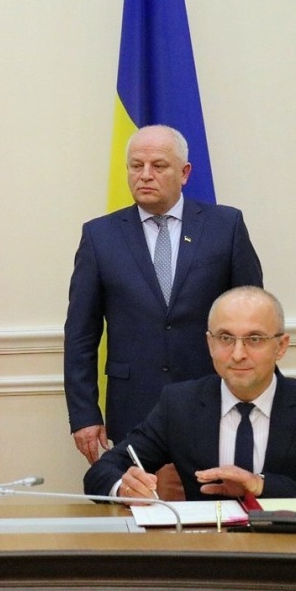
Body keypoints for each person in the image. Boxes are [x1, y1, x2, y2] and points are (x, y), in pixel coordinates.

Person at [64, 124, 263, 467]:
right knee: (141, 496)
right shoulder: (100, 236)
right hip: (133, 405)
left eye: (158, 166)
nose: (145, 175)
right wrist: (84, 414)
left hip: (214, 399)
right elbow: (81, 333)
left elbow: (256, 319)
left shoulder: (225, 226)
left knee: (214, 496)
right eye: (136, 166)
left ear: (184, 173)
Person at [84, 286, 296, 500]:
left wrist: (261, 486)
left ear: (281, 346)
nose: (238, 354)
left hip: (290, 553)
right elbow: (102, 472)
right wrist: (124, 488)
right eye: (225, 338)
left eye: (254, 339)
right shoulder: (180, 405)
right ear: (210, 344)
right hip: (207, 554)